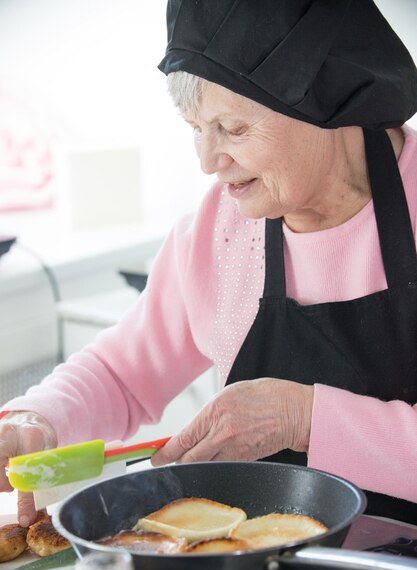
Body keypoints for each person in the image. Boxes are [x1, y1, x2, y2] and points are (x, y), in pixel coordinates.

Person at [1, 0, 417, 527]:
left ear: (327, 107)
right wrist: (39, 418)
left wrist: (301, 419)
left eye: (233, 128)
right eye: (196, 126)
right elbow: (122, 373)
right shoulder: (221, 229)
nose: (207, 160)